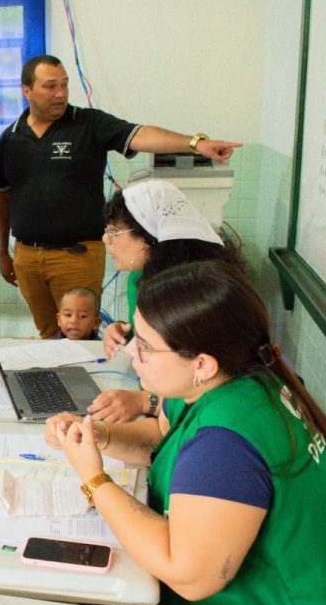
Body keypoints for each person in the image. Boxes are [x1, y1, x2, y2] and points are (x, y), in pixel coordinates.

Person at [46, 261, 326, 605]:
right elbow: (166, 442)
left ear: (202, 364)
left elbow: (189, 574)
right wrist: (99, 436)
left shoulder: (226, 442)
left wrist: (94, 479)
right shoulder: (245, 383)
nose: (131, 353)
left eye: (145, 346)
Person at [0, 54, 242, 339]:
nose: (60, 93)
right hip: (27, 256)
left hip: (76, 255)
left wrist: (195, 144)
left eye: (64, 84)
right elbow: (2, 200)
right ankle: (56, 383)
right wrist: (3, 252)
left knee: (81, 335)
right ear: (27, 90)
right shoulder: (10, 138)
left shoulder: (88, 123)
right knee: (50, 332)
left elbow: (138, 135)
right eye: (50, 86)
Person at [91, 179, 245, 423]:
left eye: (114, 232)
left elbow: (209, 386)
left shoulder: (193, 294)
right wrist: (125, 331)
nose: (104, 239)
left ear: (150, 237)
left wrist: (146, 402)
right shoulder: (139, 278)